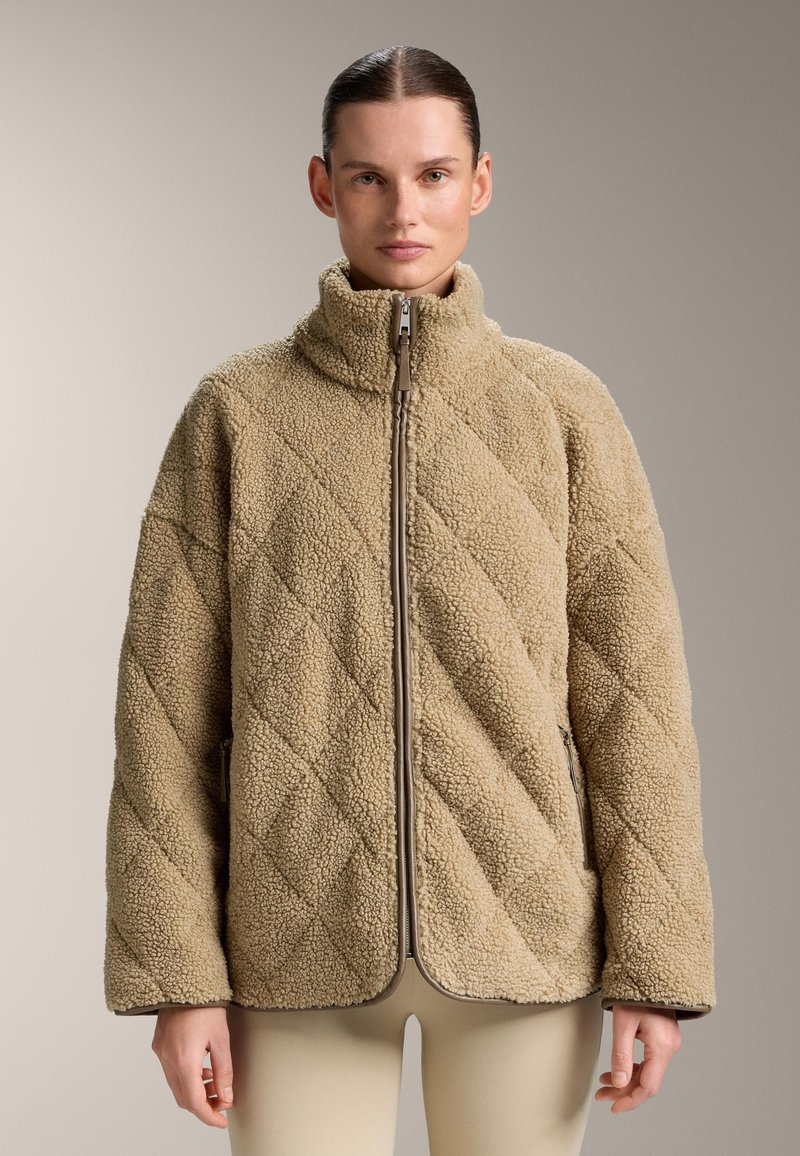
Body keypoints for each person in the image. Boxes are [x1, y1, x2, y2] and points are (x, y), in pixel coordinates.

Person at [103, 45, 716, 1155]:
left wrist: (656, 968)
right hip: (292, 946)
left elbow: (636, 705)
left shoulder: (562, 410)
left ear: (479, 182)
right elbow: (164, 714)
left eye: (433, 175)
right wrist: (178, 976)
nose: (403, 210)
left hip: (524, 944)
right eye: (369, 177)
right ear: (322, 185)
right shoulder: (236, 413)